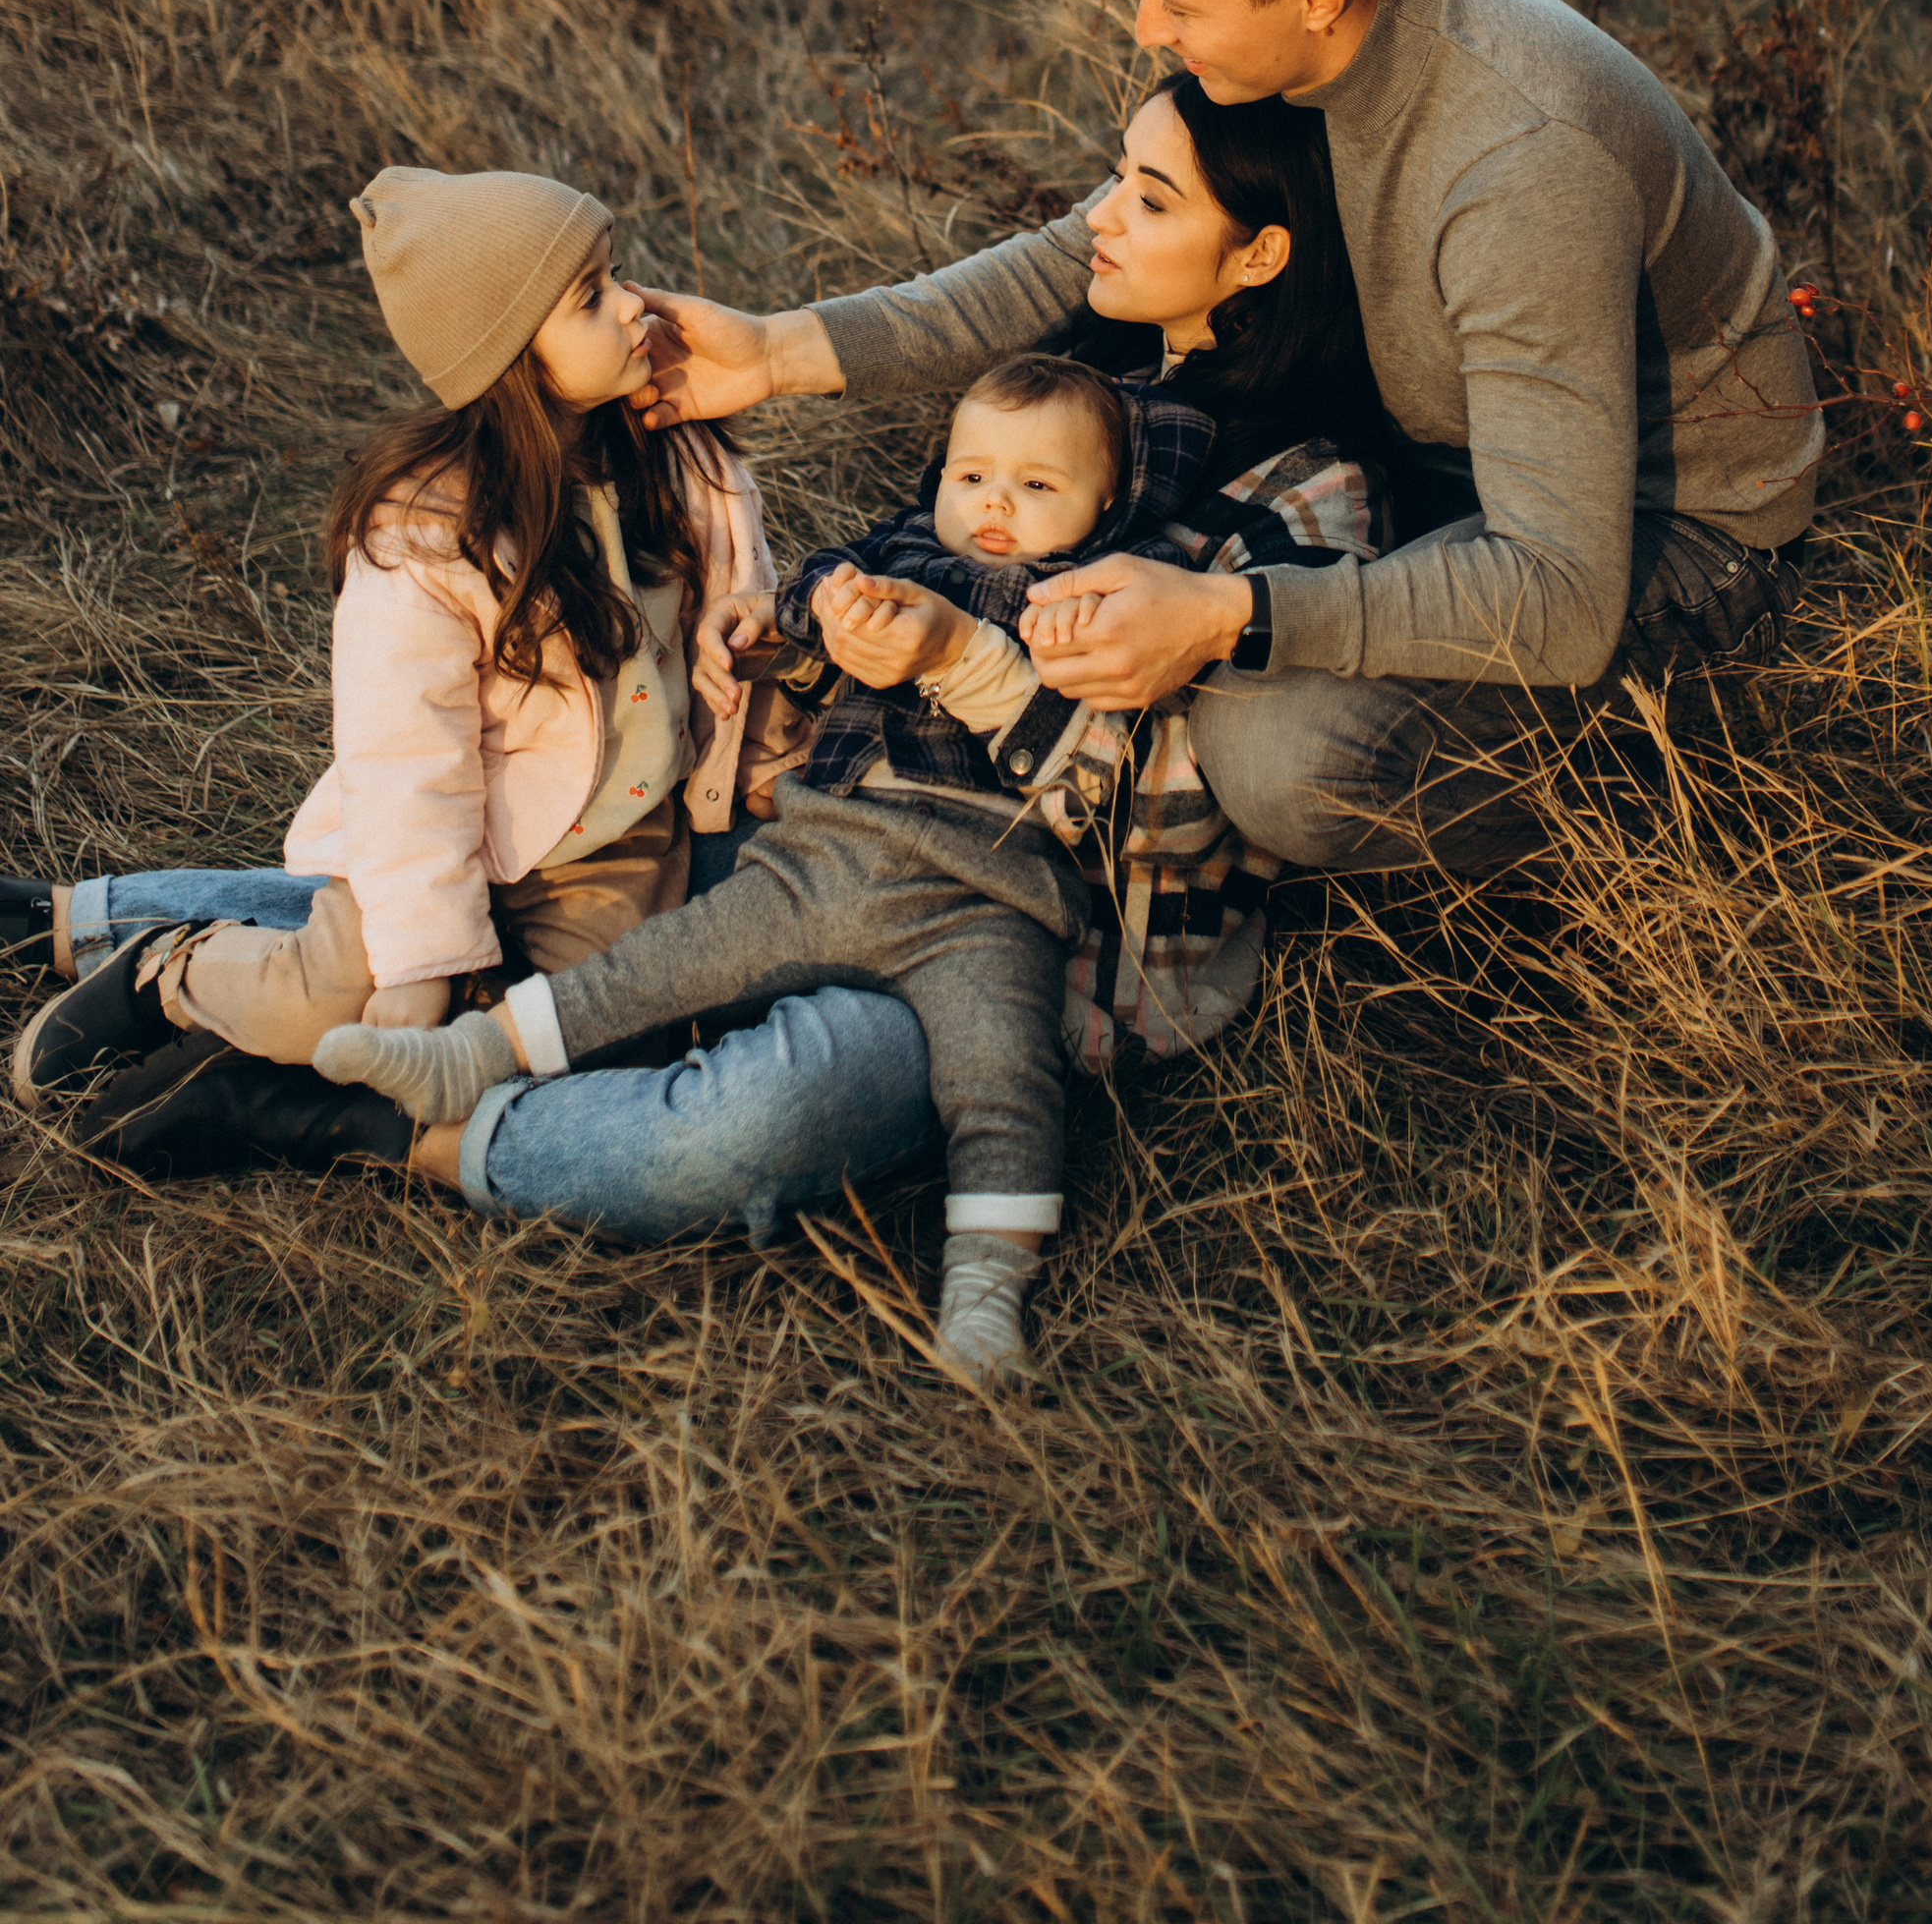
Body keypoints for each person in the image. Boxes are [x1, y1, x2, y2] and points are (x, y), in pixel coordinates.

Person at [10, 82, 1389, 1260]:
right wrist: (810, 634)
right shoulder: (1058, 386)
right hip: (820, 836)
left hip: (1011, 932)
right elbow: (889, 579)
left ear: (1260, 254)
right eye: (1115, 178)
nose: (1094, 214)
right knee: (488, 897)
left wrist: (961, 662)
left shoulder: (1303, 492)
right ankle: (116, 930)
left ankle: (359, 1116)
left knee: (770, 1115)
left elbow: (1183, 817)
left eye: (1148, 198)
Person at [641, 0, 1824, 882]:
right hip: (1454, 471)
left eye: (1174, 2)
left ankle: (1665, 796)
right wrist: (778, 350)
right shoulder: (1308, 46)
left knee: (1274, 753)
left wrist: (1237, 616)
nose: (1146, 32)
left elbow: (1559, 592)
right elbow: (1076, 256)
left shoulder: (1515, 167)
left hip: (1663, 544)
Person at [321, 352, 1225, 1388]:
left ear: (1104, 504)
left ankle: (984, 1290)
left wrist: (983, 656)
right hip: (828, 851)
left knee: (1005, 1080)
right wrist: (781, 635)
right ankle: (465, 1058)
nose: (993, 508)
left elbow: (1114, 766)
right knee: (660, 965)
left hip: (990, 903)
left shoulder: (1104, 603)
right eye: (970, 476)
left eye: (1037, 486)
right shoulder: (895, 559)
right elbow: (805, 632)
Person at [10, 166, 777, 1177]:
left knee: (573, 1045)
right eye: (591, 298)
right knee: (338, 998)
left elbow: (746, 627)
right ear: (509, 357)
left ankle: (245, 1090)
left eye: (618, 274)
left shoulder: (688, 467)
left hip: (612, 852)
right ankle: (170, 971)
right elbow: (410, 765)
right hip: (445, 835)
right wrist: (424, 961)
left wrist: (764, 643)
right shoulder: (428, 534)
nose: (634, 305)